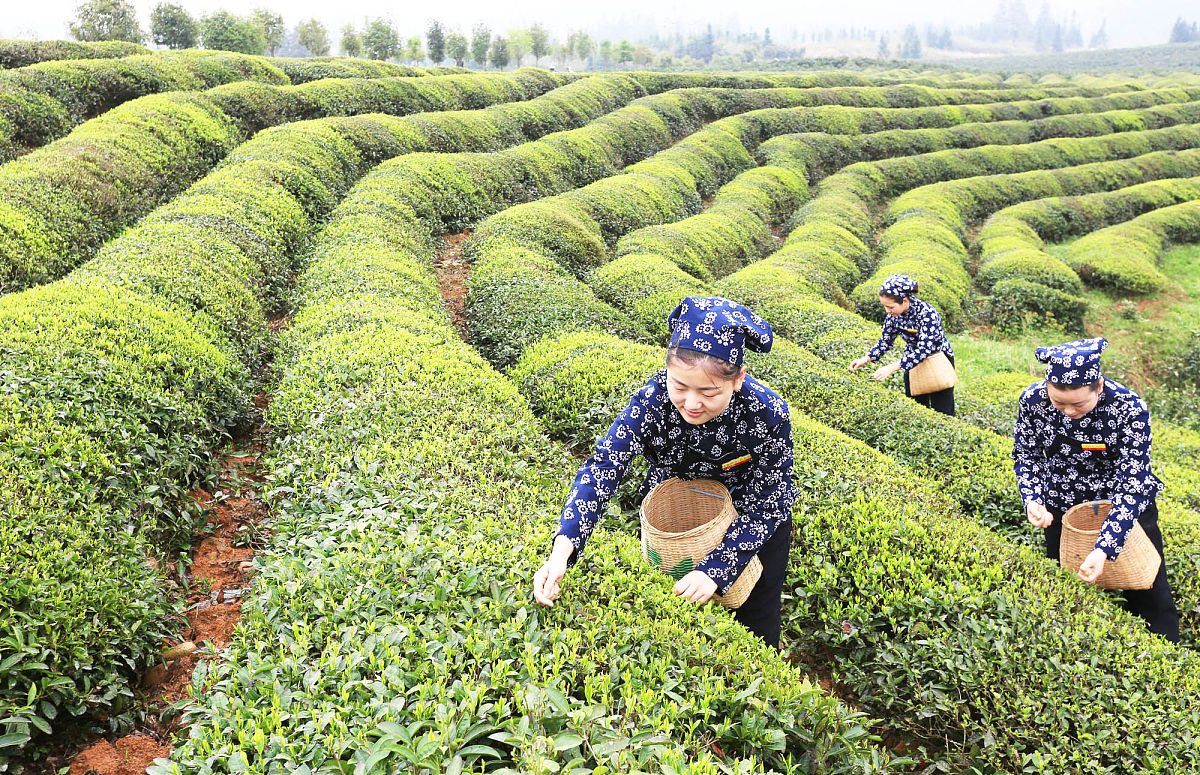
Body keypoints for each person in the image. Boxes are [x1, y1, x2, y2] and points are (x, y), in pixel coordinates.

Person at [531, 296, 798, 648]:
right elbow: (604, 466)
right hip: (676, 519)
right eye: (680, 386)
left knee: (756, 620)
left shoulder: (766, 412)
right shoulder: (652, 401)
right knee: (677, 620)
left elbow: (771, 498)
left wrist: (715, 569)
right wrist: (561, 550)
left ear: (737, 380)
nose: (691, 403)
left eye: (708, 392)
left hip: (748, 520)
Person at [1012, 337, 1179, 643]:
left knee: (1151, 596)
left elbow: (1132, 483)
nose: (1067, 412)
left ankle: (1168, 663)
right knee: (1068, 592)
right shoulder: (1033, 400)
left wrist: (1104, 548)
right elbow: (1027, 455)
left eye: (1078, 404)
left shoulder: (1128, 408)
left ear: (1098, 386)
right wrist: (1033, 499)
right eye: (1058, 402)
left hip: (1122, 509)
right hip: (1064, 506)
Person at [849, 274, 956, 416]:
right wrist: (866, 359)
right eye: (885, 306)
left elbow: (924, 350)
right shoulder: (893, 316)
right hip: (911, 362)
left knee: (943, 410)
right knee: (916, 408)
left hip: (936, 359)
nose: (887, 310)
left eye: (890, 306)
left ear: (904, 301)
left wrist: (892, 367)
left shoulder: (927, 314)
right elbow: (885, 341)